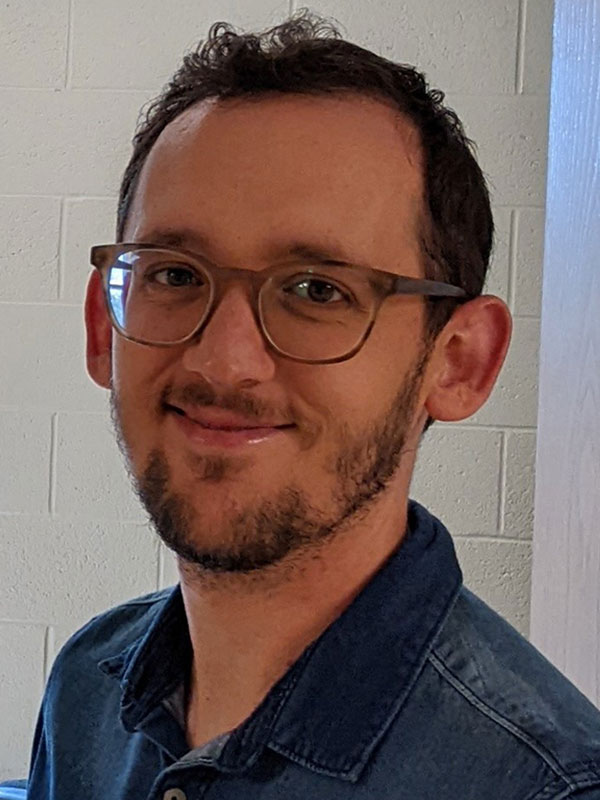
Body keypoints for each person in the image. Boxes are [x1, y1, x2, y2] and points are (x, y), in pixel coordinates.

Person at [24, 11, 600, 800]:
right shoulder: (86, 693)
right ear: (103, 326)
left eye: (316, 290)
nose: (224, 359)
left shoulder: (544, 785)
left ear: (459, 363)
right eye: (174, 275)